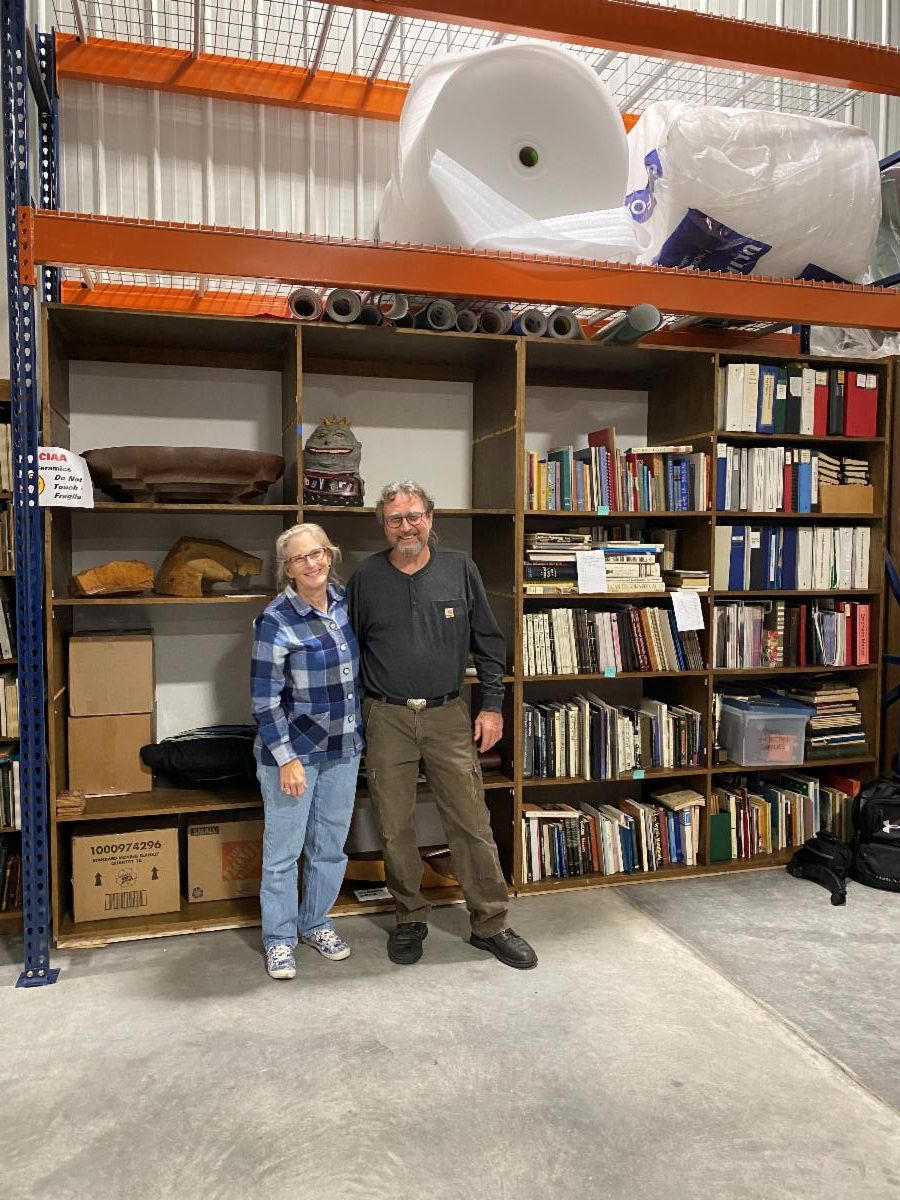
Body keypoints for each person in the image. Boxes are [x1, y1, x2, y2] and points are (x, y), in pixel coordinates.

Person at [348, 481, 537, 970]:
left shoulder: (459, 568)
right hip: (385, 716)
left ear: (431, 517)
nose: (406, 527)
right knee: (394, 826)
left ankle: (490, 922)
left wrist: (492, 706)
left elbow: (489, 644)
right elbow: (350, 651)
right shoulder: (366, 577)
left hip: (449, 715)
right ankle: (410, 917)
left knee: (471, 822)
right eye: (395, 519)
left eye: (415, 516)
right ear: (383, 526)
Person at [251, 523, 362, 981]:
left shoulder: (344, 604)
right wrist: (287, 759)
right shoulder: (275, 619)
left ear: (330, 554)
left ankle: (316, 922)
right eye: (300, 559)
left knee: (331, 847)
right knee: (283, 853)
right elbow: (264, 699)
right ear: (287, 569)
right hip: (293, 755)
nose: (312, 563)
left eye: (318, 553)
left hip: (344, 748)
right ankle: (279, 939)